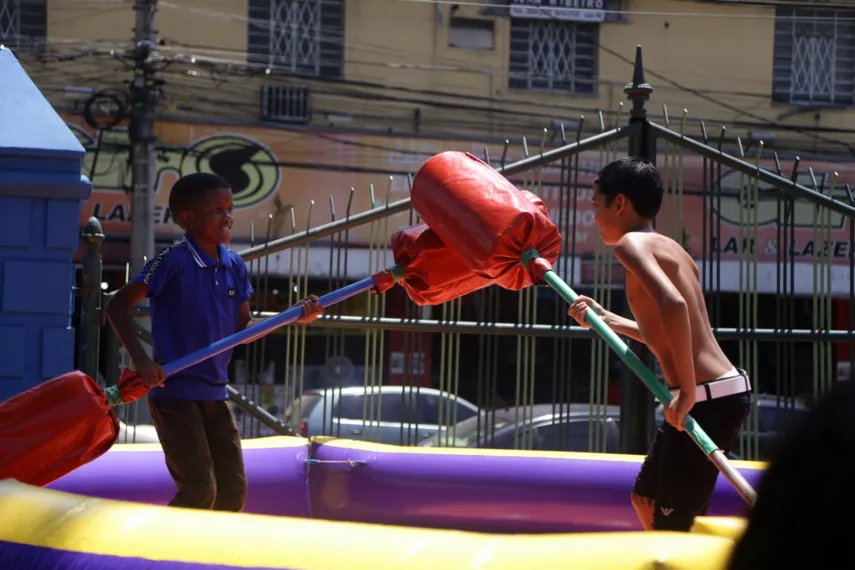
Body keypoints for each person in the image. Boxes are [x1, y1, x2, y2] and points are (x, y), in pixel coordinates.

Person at [105, 172, 323, 512]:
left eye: (230, 208)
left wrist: (295, 315)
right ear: (188, 219)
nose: (228, 216)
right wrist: (143, 362)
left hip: (215, 394)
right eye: (217, 210)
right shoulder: (173, 260)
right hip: (175, 393)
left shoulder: (234, 264)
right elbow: (116, 306)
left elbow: (244, 327)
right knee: (199, 490)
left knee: (232, 493)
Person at [566, 157, 751, 532]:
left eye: (596, 205)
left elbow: (674, 306)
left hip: (705, 397)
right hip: (715, 392)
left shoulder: (630, 245)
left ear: (619, 203)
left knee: (673, 524)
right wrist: (608, 320)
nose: (595, 215)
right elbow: (674, 329)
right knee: (645, 499)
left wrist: (684, 390)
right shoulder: (672, 248)